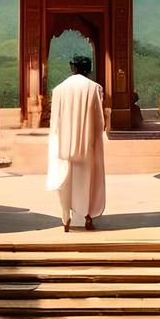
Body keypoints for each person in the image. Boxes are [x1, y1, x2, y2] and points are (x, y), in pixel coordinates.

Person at [47, 54, 108, 231]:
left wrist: (55, 142)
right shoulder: (94, 88)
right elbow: (99, 121)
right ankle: (88, 216)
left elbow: (55, 122)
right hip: (87, 143)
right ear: (88, 69)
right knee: (87, 180)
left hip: (63, 144)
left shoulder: (59, 89)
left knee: (65, 180)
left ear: (72, 67)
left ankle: (66, 219)